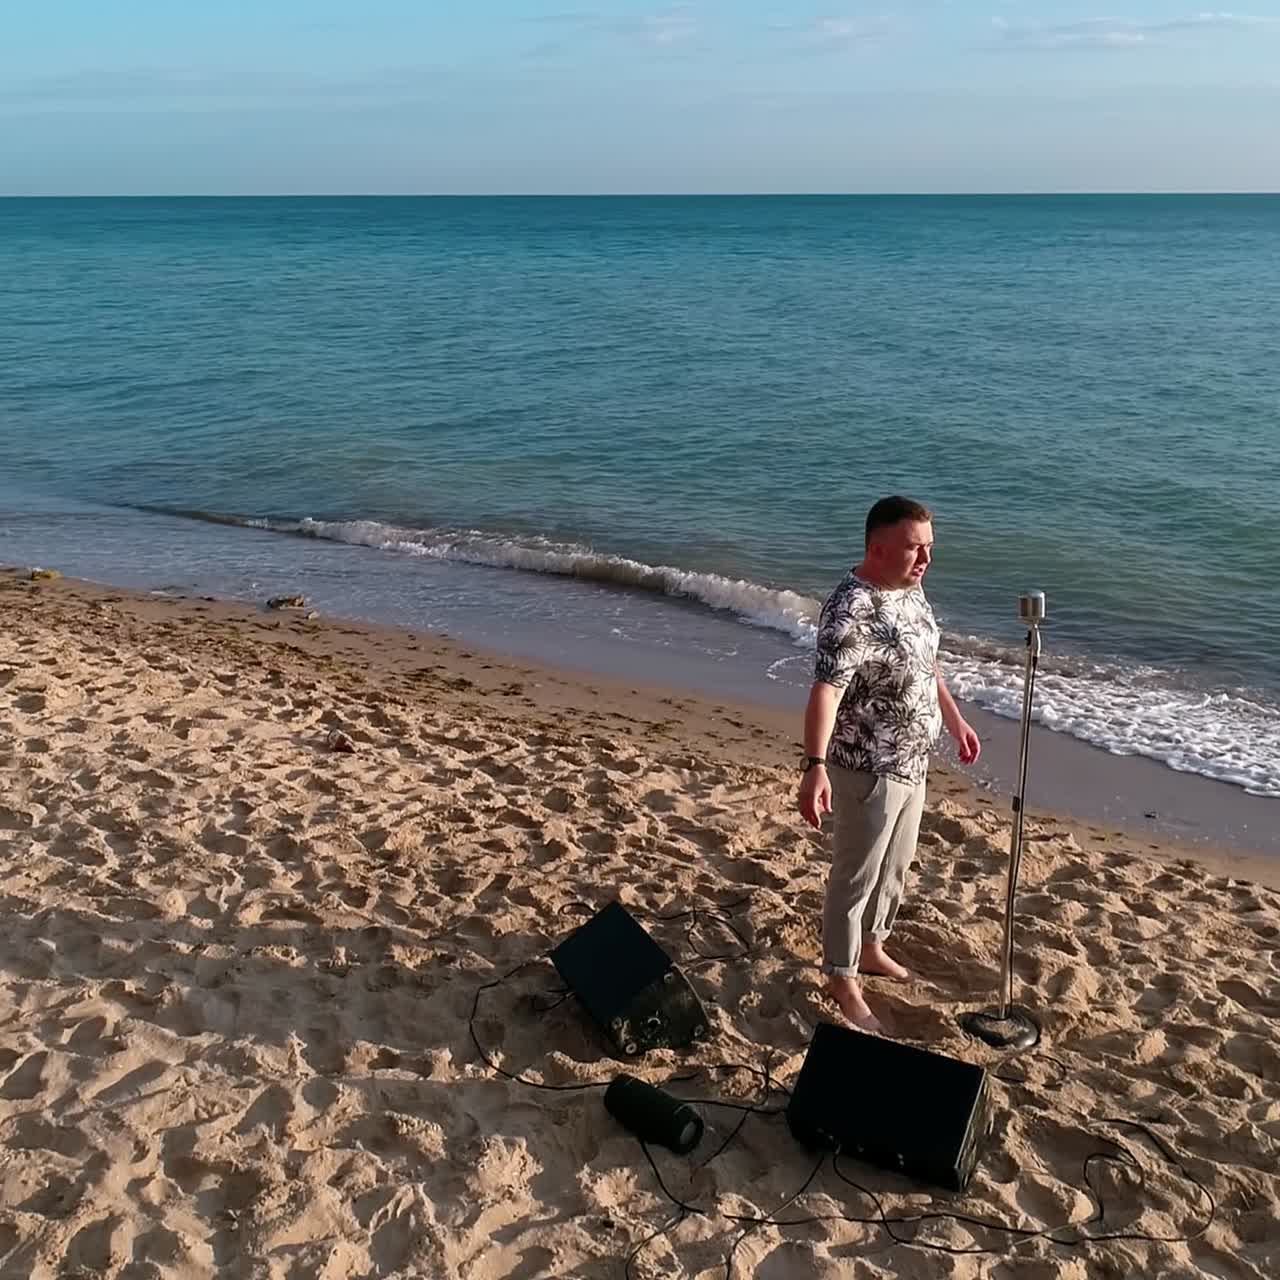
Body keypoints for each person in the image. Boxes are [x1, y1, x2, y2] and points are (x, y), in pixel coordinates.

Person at [797, 496, 980, 1032]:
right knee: (855, 875)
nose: (926, 559)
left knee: (895, 867)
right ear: (877, 548)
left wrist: (954, 719)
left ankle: (873, 946)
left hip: (912, 758)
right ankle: (842, 976)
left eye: (929, 548)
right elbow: (826, 691)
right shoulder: (851, 608)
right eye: (913, 548)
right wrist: (814, 765)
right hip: (866, 764)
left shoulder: (910, 588)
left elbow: (926, 660)